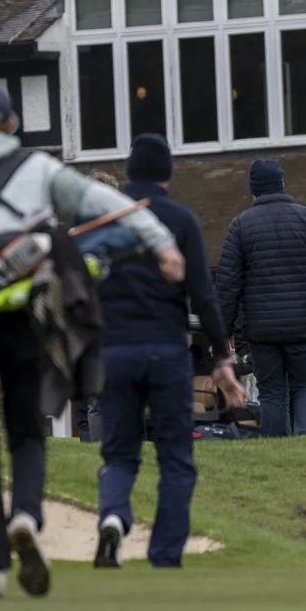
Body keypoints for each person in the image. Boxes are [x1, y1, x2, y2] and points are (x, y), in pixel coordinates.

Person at [0, 81, 183, 600]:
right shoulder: (39, 169)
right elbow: (106, 202)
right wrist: (163, 244)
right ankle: (26, 514)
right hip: (24, 314)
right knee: (27, 430)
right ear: (11, 124)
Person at [94, 134, 245, 570]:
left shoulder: (104, 222)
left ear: (129, 172)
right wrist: (221, 357)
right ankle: (164, 555)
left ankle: (114, 519)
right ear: (168, 174)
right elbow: (204, 295)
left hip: (115, 351)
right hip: (165, 350)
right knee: (175, 457)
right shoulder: (180, 221)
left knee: (119, 453)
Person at [214, 158, 306, 437]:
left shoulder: (240, 226)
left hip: (262, 328)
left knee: (272, 391)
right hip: (303, 324)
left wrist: (224, 328)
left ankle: (277, 447)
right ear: (281, 184)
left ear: (253, 190)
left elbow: (227, 284)